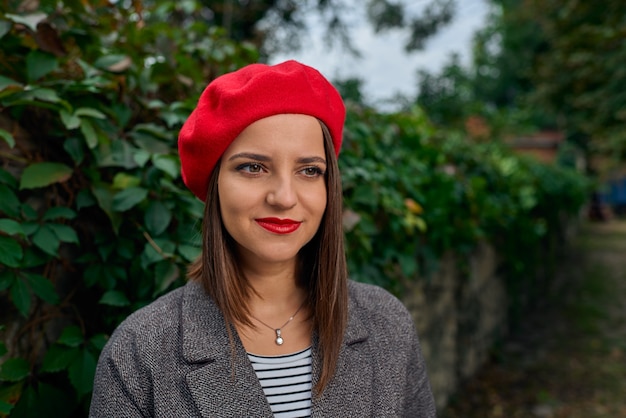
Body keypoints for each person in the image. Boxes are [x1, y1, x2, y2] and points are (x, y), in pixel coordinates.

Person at [90, 60, 436, 417]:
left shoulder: (388, 324)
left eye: (308, 170)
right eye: (253, 167)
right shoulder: (138, 353)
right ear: (215, 184)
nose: (284, 197)